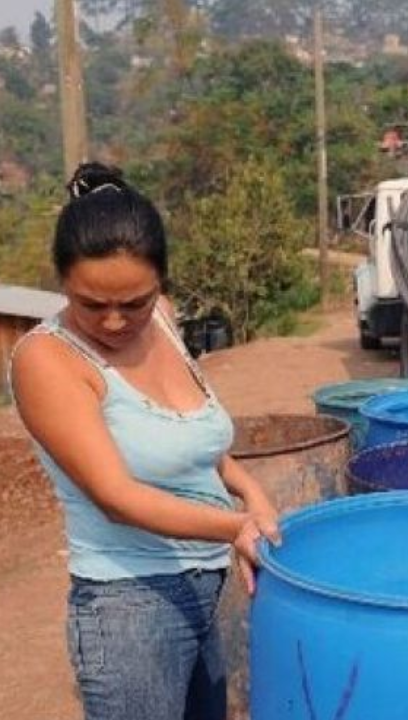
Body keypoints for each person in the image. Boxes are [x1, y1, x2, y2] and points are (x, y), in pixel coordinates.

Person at [8, 163, 280, 720]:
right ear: (61, 282)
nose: (114, 322)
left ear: (161, 284)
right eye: (91, 304)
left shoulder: (164, 322)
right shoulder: (48, 359)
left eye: (134, 302)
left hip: (209, 586)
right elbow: (116, 497)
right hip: (130, 605)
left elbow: (193, 441)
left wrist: (251, 491)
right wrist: (236, 526)